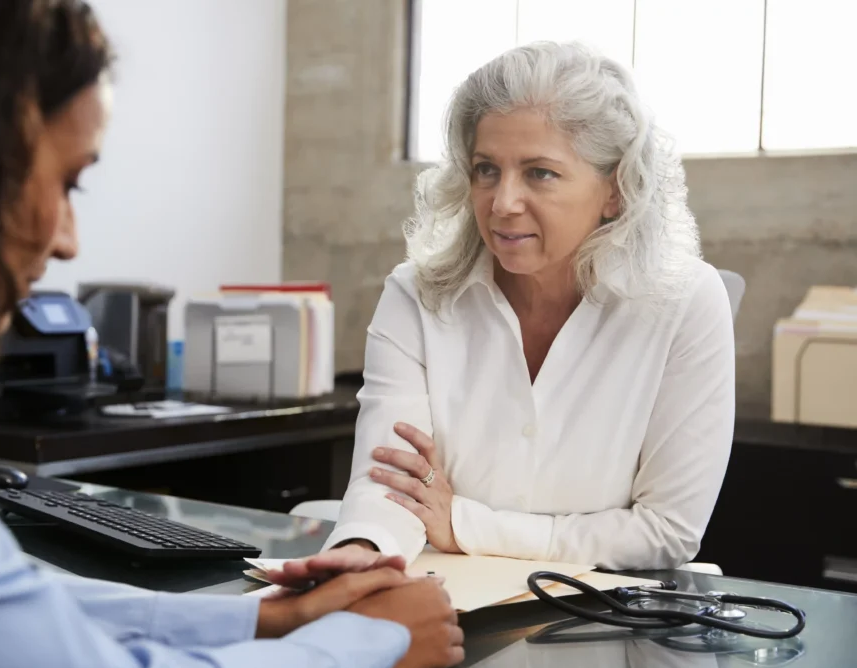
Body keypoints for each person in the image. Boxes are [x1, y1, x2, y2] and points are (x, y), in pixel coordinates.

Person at [0, 2, 463, 668]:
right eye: (67, 182)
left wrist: (267, 618)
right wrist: (373, 645)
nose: (68, 239)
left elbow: (1, 605)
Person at [272, 41, 735, 587]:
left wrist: (465, 524)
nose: (502, 202)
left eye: (539, 173)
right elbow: (390, 480)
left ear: (614, 189)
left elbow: (666, 531)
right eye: (486, 169)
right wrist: (359, 546)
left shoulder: (686, 302)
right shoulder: (416, 294)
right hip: (442, 605)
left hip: (599, 629)